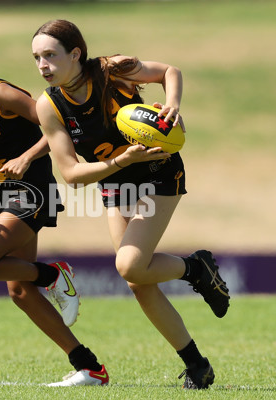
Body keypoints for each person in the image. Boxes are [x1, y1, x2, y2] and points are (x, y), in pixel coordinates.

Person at [32, 19, 230, 389]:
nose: (43, 65)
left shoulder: (112, 70)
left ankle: (194, 268)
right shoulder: (48, 105)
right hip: (116, 180)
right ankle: (197, 364)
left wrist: (171, 106)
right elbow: (72, 174)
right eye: (37, 58)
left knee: (129, 264)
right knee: (136, 279)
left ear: (75, 54)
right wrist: (122, 162)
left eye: (50, 55)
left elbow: (169, 71)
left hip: (158, 171)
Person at [0, 24, 108, 386]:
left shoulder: (1, 93)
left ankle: (54, 275)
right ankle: (89, 367)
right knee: (18, 290)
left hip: (31, 189)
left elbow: (56, 124)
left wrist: (27, 157)